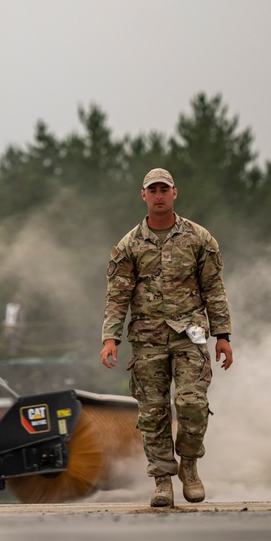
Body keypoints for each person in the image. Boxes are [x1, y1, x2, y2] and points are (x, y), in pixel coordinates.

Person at [100, 168, 233, 508]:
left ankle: (189, 465)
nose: (159, 194)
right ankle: (162, 481)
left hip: (193, 330)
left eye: (164, 188)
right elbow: (117, 296)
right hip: (147, 336)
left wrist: (222, 335)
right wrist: (110, 338)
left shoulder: (199, 238)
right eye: (152, 189)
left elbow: (214, 289)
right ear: (143, 196)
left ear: (175, 193)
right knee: (153, 411)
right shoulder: (129, 245)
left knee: (192, 403)